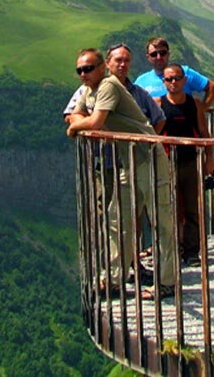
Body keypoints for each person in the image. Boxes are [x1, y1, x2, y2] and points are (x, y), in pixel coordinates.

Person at [66, 49, 176, 300]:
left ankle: (166, 282)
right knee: (118, 219)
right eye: (80, 70)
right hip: (127, 160)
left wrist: (75, 127)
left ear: (102, 67)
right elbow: (76, 114)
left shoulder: (109, 86)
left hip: (148, 158)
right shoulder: (87, 91)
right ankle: (115, 279)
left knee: (161, 221)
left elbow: (93, 121)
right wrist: (78, 121)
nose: (84, 74)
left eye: (89, 68)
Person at [157, 63, 214, 267]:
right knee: (170, 207)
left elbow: (203, 132)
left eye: (176, 78)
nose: (173, 82)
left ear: (184, 80)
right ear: (163, 82)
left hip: (190, 161)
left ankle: (191, 251)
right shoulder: (158, 104)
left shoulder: (195, 104)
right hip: (166, 163)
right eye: (168, 79)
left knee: (192, 207)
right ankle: (173, 249)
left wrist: (209, 158)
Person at [134, 37, 214, 106]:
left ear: (168, 54)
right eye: (154, 54)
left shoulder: (184, 72)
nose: (159, 57)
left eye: (162, 53)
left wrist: (201, 111)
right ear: (147, 57)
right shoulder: (141, 82)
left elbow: (212, 88)